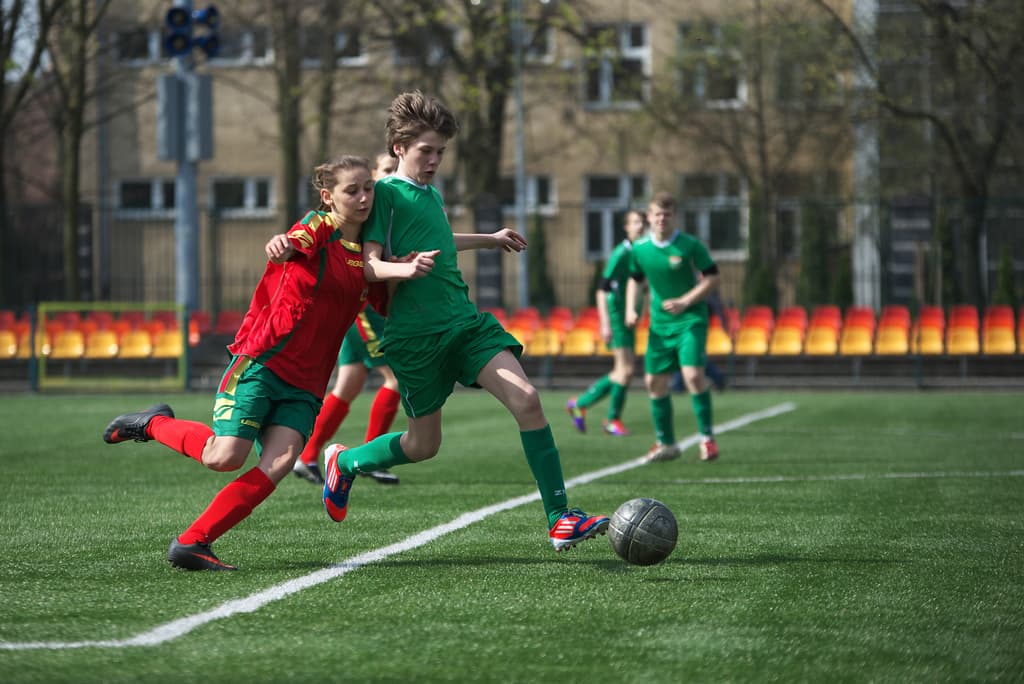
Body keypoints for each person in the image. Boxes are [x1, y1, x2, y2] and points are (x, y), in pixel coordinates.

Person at [102, 155, 436, 571]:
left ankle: (192, 543)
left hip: (308, 384)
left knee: (278, 465)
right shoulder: (319, 227)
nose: (365, 196)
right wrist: (282, 244)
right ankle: (152, 424)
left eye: (369, 187)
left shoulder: (372, 258)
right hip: (264, 360)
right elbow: (293, 240)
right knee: (223, 457)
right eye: (353, 190)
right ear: (328, 196)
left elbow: (391, 292)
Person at [321, 90, 610, 551]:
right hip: (415, 338)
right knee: (422, 446)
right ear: (399, 148)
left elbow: (441, 238)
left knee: (528, 400)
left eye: (440, 152)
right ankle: (346, 461)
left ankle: (560, 518)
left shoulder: (430, 193)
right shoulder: (386, 197)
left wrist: (490, 238)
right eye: (426, 151)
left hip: (464, 323)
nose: (435, 160)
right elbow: (368, 264)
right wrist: (405, 269)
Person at [292, 152, 402, 486]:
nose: (392, 177)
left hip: (365, 305)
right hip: (363, 308)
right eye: (386, 171)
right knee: (396, 376)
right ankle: (369, 458)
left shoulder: (388, 207)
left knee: (349, 383)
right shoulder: (358, 214)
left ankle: (307, 456)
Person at [625, 191, 720, 463]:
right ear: (649, 217)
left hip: (691, 319)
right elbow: (635, 280)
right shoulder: (640, 249)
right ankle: (666, 443)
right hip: (659, 324)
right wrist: (632, 308)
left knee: (692, 376)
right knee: (653, 382)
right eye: (657, 214)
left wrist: (685, 301)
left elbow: (713, 278)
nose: (662, 219)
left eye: (667, 214)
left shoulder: (690, 246)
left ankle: (707, 439)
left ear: (674, 216)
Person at [566, 209, 647, 436]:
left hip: (629, 318)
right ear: (626, 227)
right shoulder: (621, 253)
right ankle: (611, 420)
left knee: (622, 371)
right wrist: (605, 323)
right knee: (627, 370)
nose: (640, 226)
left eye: (642, 222)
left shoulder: (643, 252)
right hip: (617, 317)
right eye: (635, 222)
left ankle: (580, 404)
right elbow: (601, 291)